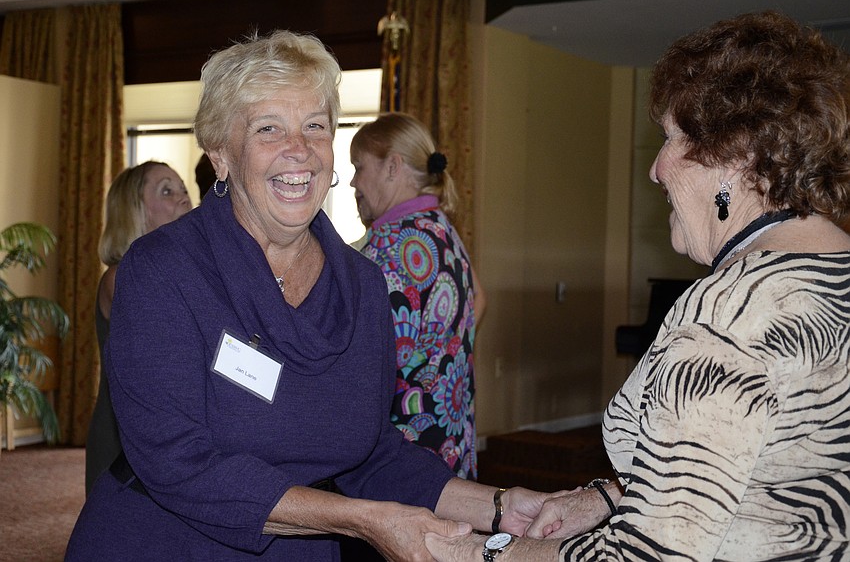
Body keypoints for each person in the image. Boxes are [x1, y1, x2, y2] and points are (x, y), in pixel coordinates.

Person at [66, 30, 554, 561]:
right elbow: (178, 462)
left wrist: (502, 507)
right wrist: (363, 520)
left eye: (315, 127)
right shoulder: (162, 272)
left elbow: (370, 453)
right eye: (269, 128)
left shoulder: (363, 285)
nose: (298, 150)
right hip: (160, 543)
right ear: (221, 155)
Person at [426, 10, 850, 561]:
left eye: (670, 138)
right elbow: (775, 471)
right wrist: (607, 496)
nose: (655, 169)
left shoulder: (728, 316)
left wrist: (473, 553)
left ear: (731, 156)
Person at [350, 112, 486, 480]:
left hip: (406, 458)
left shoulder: (389, 246)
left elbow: (365, 355)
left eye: (359, 167)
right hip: (451, 442)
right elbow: (480, 300)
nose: (353, 181)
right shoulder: (441, 227)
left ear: (392, 167)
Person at [85, 161, 192, 495]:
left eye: (182, 188)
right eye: (166, 190)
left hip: (173, 434)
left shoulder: (187, 272)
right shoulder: (120, 278)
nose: (184, 197)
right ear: (135, 212)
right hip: (125, 438)